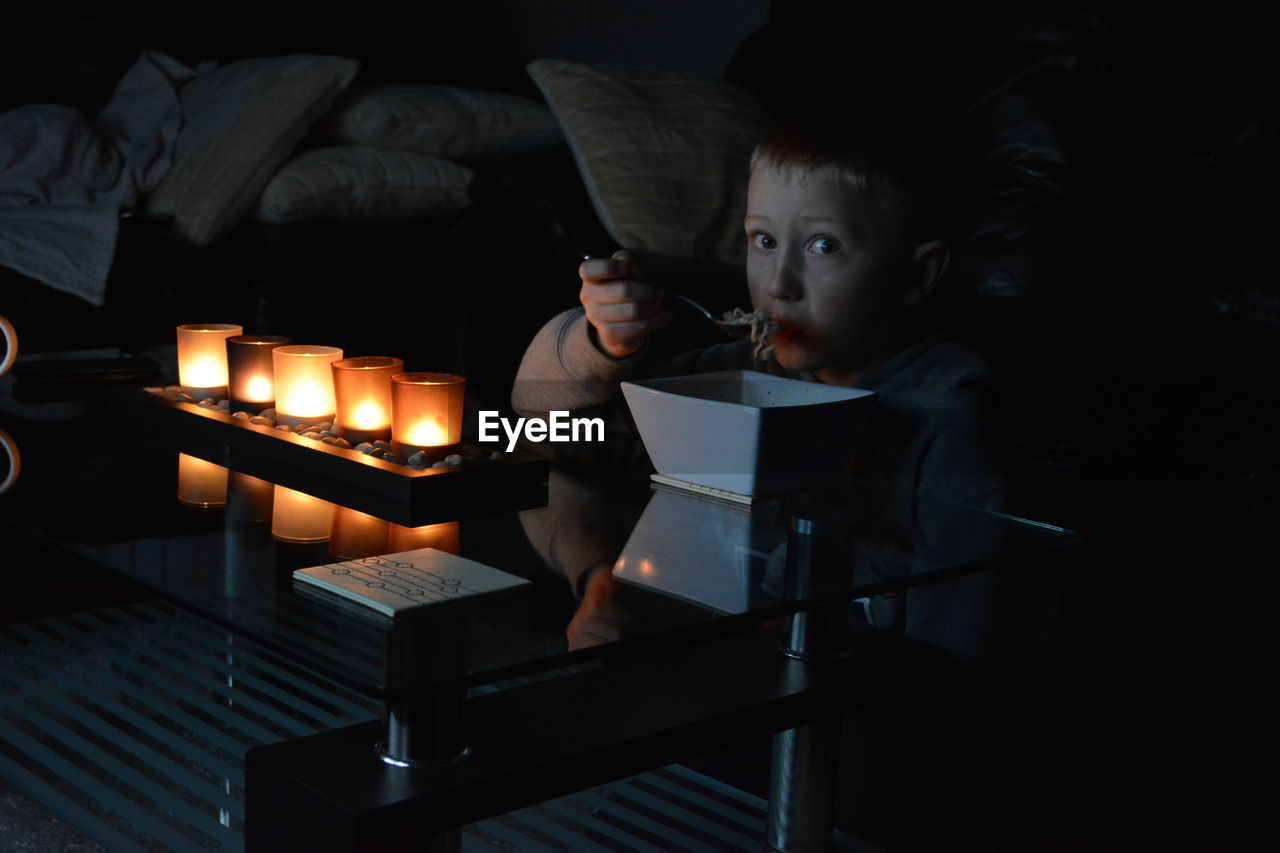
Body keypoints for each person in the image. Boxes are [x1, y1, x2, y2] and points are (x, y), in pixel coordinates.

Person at [513, 89, 1007, 514]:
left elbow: (963, 613)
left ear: (917, 274)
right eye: (764, 241)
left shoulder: (948, 416)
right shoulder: (736, 378)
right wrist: (599, 343)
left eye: (824, 246)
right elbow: (540, 427)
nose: (778, 285)